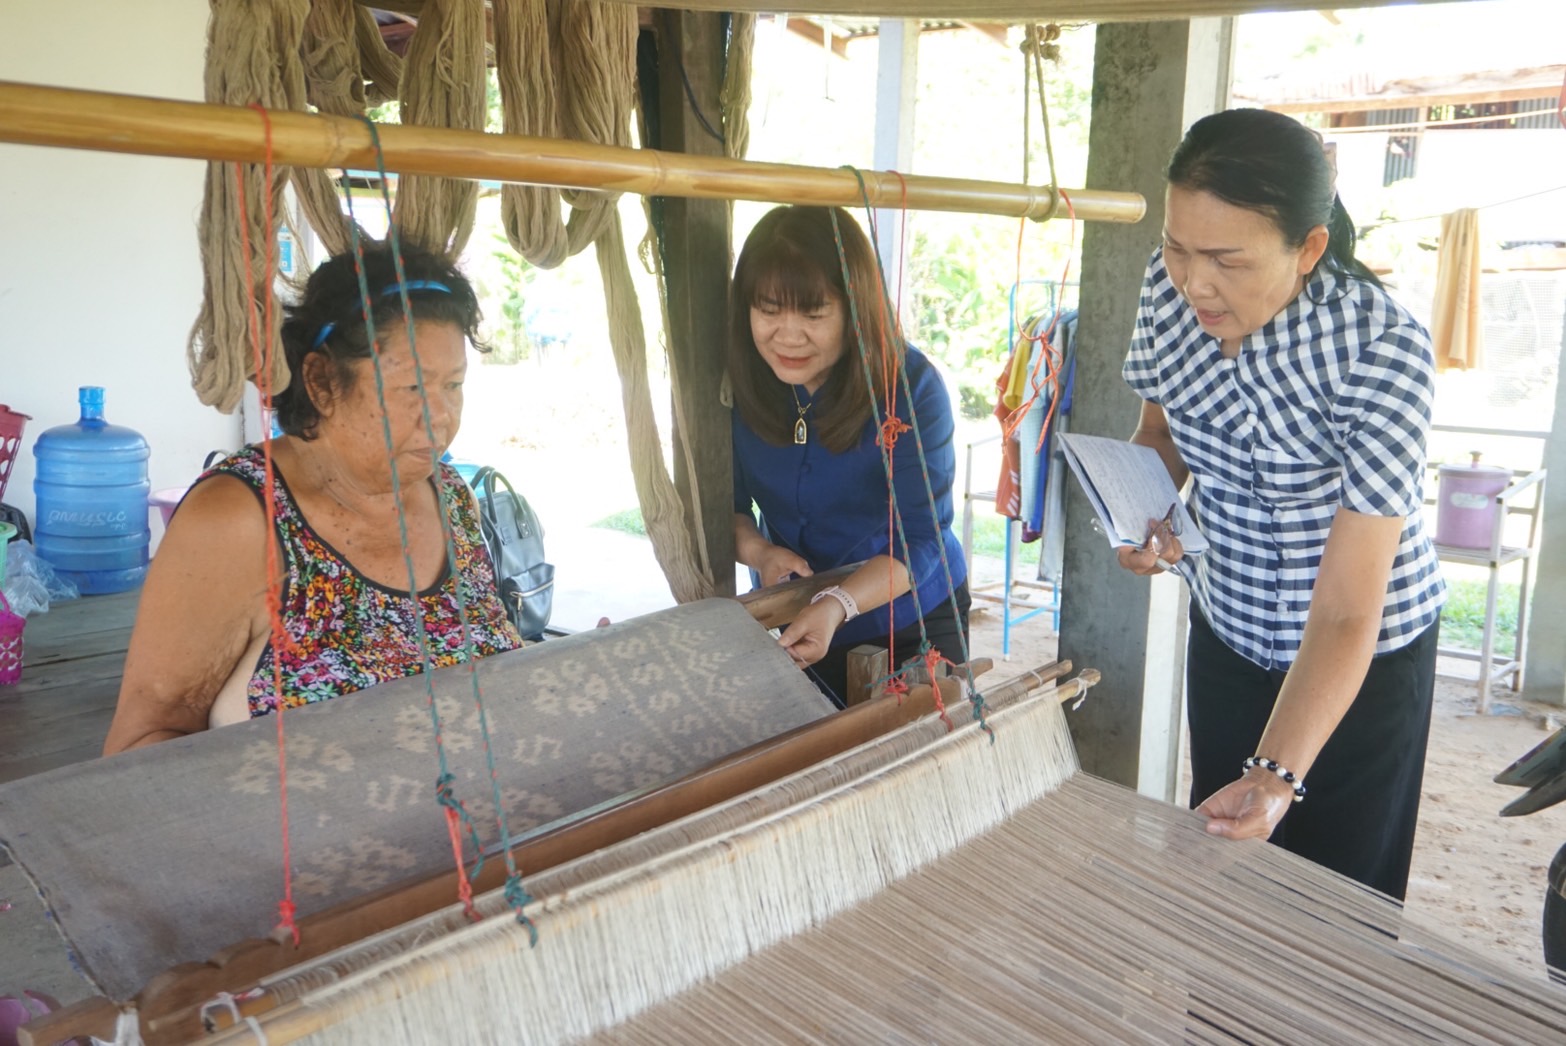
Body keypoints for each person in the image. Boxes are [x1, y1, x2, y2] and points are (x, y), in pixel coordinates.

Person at [1118, 108, 1445, 900]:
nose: (1195, 282)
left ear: (1309, 248)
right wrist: (1144, 514)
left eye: (1227, 259)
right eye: (1177, 247)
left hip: (1361, 660)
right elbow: (1157, 433)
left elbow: (1343, 613)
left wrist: (1274, 774)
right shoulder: (1168, 297)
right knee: (1228, 885)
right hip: (1230, 631)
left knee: (1339, 906)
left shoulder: (1382, 352)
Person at [103, 242, 520, 753]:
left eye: (453, 385)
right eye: (412, 387)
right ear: (321, 382)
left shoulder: (452, 501)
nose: (440, 417)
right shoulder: (241, 518)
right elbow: (139, 747)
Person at [729, 205, 969, 707]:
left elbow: (922, 537)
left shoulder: (909, 389)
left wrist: (838, 602)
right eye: (769, 311)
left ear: (855, 309)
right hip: (796, 617)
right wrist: (761, 554)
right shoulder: (739, 386)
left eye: (813, 314)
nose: (789, 336)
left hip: (910, 616)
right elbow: (724, 506)